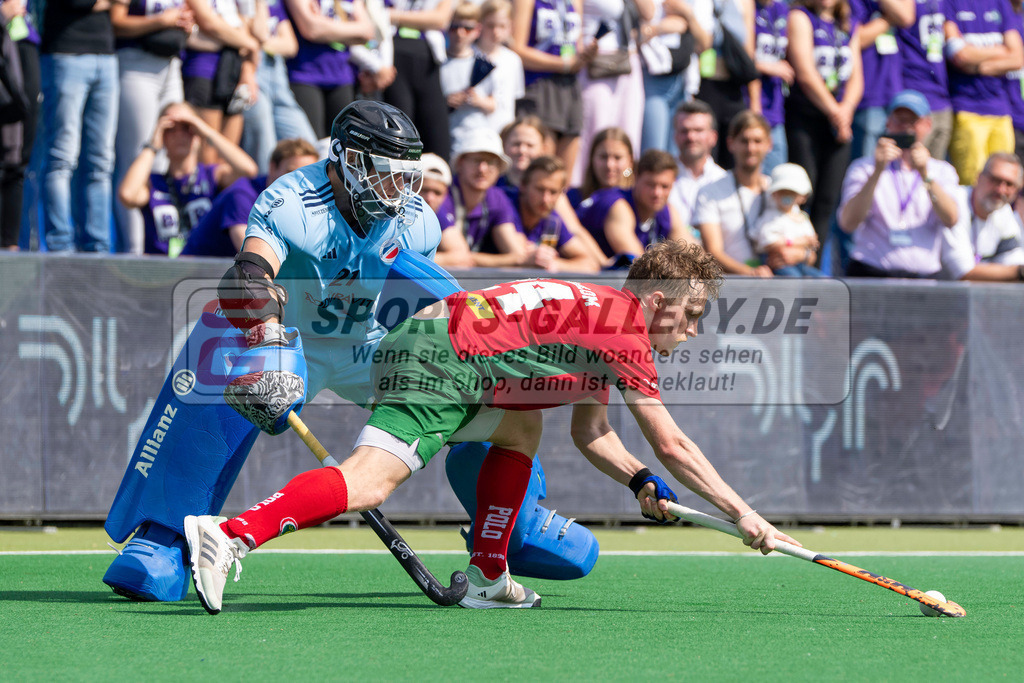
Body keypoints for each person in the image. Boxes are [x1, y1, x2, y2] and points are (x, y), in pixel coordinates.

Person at [105, 100, 599, 603]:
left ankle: (516, 521)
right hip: (292, 337)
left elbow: (420, 304)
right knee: (218, 344)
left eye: (407, 178)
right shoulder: (292, 201)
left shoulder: (417, 220)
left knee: (480, 392)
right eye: (385, 176)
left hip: (371, 344)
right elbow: (246, 281)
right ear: (345, 160)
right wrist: (264, 339)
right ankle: (164, 536)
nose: (399, 193)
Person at [183, 239, 802, 614]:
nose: (692, 332)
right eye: (691, 315)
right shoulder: (627, 330)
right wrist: (742, 512)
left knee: (520, 430)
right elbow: (674, 442)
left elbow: (592, 432)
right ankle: (232, 533)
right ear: (661, 300)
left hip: (433, 342)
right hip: (442, 359)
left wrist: (639, 479)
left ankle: (487, 576)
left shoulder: (600, 315)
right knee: (368, 483)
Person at [838, 90, 960, 278]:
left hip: (923, 279)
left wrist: (925, 174)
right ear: (888, 123)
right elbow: (848, 223)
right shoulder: (864, 167)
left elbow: (951, 218)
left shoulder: (942, 171)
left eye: (913, 121)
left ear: (927, 125)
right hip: (872, 273)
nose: (906, 128)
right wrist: (878, 171)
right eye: (899, 120)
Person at [118, 101, 258, 256]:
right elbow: (127, 195)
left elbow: (248, 170)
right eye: (171, 129)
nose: (179, 135)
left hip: (205, 272)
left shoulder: (212, 176)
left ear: (197, 134)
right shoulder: (154, 183)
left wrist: (203, 129)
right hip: (162, 273)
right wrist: (152, 145)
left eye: (186, 128)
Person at [40, 0, 120, 253]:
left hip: (106, 57)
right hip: (66, 54)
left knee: (101, 163)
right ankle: (61, 246)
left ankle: (98, 248)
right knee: (62, 159)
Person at [785, 0, 863, 247]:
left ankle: (815, 272)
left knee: (828, 200)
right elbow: (805, 73)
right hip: (806, 119)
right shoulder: (800, 17)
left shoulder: (848, 24)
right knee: (804, 196)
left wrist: (846, 110)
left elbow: (856, 78)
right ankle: (798, 263)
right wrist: (836, 112)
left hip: (839, 124)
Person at [181, 138, 319, 257]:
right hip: (192, 279)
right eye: (291, 172)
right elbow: (250, 253)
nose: (299, 182)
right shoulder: (242, 195)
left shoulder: (300, 200)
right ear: (272, 167)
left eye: (305, 175)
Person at [944, 0, 1023, 185]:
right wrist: (1001, 51)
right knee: (973, 186)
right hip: (967, 110)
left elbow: (1017, 57)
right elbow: (960, 55)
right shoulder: (950, 3)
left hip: (1002, 111)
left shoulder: (1000, 3)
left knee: (1005, 185)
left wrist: (979, 66)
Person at [511, 0, 592, 175]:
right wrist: (562, 64)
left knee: (562, 173)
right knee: (541, 169)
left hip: (570, 86)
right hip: (538, 84)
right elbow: (517, 48)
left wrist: (587, 55)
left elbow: (575, 49)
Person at [572, 0, 648, 186]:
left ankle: (627, 186)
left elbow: (648, 12)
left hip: (628, 63)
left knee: (629, 136)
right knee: (596, 135)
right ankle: (587, 190)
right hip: (596, 65)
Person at [691, 109, 774, 276]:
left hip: (777, 284)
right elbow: (712, 252)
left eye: (757, 141)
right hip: (730, 288)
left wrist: (800, 253)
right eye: (744, 141)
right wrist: (751, 273)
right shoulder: (710, 192)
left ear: (769, 144)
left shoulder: (776, 190)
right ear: (731, 144)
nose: (751, 148)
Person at [240, 0, 318, 174]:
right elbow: (260, 34)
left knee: (308, 144)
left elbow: (290, 46)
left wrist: (261, 44)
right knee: (264, 151)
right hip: (253, 75)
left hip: (278, 81)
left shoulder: (275, 4)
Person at [434, 127, 528, 268]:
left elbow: (517, 254)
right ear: (460, 163)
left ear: (498, 169)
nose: (482, 169)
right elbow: (460, 258)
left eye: (490, 162)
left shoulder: (497, 197)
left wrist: (472, 258)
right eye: (476, 160)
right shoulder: (440, 194)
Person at [181, 0, 261, 164]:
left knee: (228, 157)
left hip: (233, 71)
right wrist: (249, 43)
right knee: (207, 156)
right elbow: (209, 23)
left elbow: (244, 26)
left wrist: (247, 69)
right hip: (203, 71)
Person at [577, 148, 695, 259]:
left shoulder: (667, 210)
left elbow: (695, 254)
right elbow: (639, 265)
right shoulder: (618, 206)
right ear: (636, 178)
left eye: (665, 186)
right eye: (650, 184)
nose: (657, 193)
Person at [284, 0, 375, 139]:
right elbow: (311, 29)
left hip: (342, 78)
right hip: (304, 76)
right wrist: (352, 28)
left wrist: (322, 24)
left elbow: (367, 32)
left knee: (343, 145)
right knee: (312, 146)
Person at [383, 0, 454, 159]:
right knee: (398, 142)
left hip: (428, 61)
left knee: (439, 148)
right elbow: (374, 14)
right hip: (392, 61)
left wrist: (391, 15)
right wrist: (422, 19)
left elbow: (440, 19)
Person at [638, 0, 709, 155]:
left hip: (682, 82)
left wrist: (687, 15)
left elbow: (704, 44)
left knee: (676, 156)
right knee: (653, 154)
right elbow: (638, 29)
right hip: (651, 79)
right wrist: (660, 28)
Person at [941, 152, 1024, 281]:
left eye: (1009, 184)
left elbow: (1013, 260)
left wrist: (1017, 271)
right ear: (978, 177)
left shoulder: (1003, 210)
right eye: (995, 180)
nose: (1001, 190)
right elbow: (963, 272)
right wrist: (1019, 272)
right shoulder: (954, 202)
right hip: (929, 294)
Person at [848, 0, 914, 161]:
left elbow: (907, 16)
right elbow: (858, 38)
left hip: (895, 93)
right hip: (868, 95)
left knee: (895, 168)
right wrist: (890, 19)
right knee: (866, 167)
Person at [513, 155, 602, 271]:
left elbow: (591, 264)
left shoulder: (552, 219)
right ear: (523, 186)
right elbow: (518, 254)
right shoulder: (506, 204)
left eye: (553, 192)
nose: (546, 199)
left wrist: (554, 264)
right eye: (540, 189)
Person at [895, 0, 952, 161]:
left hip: (942, 98)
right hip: (913, 95)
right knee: (908, 167)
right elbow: (904, 18)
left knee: (935, 171)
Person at [667, 99, 727, 232]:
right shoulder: (661, 178)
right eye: (684, 131)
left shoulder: (725, 181)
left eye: (698, 130)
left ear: (713, 137)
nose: (691, 137)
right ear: (675, 136)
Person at [440, 2, 497, 143]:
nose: (460, 33)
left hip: (475, 135)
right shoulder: (439, 61)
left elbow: (493, 104)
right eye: (454, 28)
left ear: (478, 30)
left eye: (467, 28)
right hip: (446, 131)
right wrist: (444, 101)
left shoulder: (483, 64)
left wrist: (477, 100)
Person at [753, 163, 823, 276]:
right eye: (782, 192)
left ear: (803, 197)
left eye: (792, 193)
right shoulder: (771, 216)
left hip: (801, 265)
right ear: (774, 194)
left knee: (823, 280)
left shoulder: (803, 217)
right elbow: (767, 242)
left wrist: (807, 247)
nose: (786, 196)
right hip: (778, 266)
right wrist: (798, 242)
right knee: (793, 279)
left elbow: (811, 248)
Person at [752, 0, 791, 174]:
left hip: (775, 109)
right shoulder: (746, 7)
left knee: (776, 177)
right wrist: (768, 66)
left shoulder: (782, 9)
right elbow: (738, 55)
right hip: (751, 104)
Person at [476, 0, 526, 135]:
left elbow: (515, 99)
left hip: (504, 130)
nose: (496, 32)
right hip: (475, 131)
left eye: (502, 26)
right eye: (490, 25)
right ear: (479, 25)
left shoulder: (513, 60)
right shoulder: (469, 54)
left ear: (510, 27)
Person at [569, 126, 635, 209]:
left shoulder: (638, 202)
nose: (609, 165)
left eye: (617, 157)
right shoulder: (572, 198)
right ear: (592, 158)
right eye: (603, 157)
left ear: (630, 161)